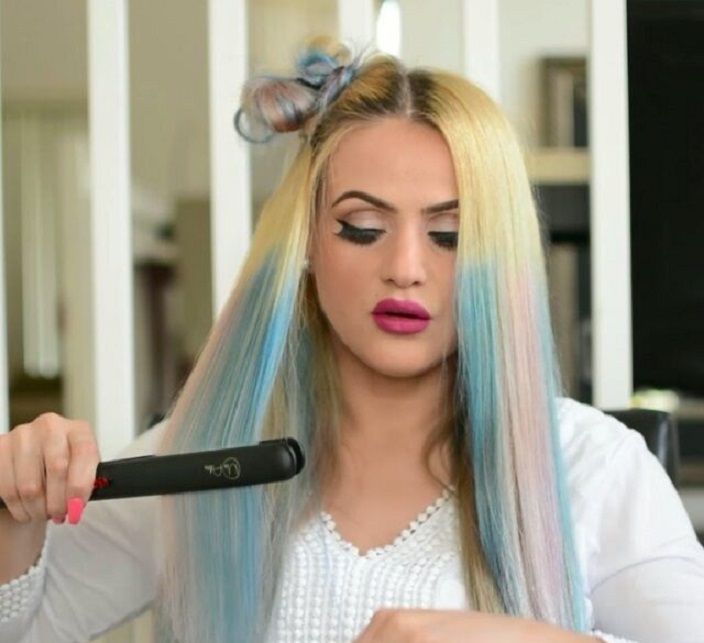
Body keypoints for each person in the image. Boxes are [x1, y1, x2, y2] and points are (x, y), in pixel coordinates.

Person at [1, 37, 703, 643]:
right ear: (306, 242)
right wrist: (16, 506)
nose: (406, 267)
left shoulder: (593, 469)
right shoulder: (205, 461)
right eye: (363, 228)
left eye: (450, 235)